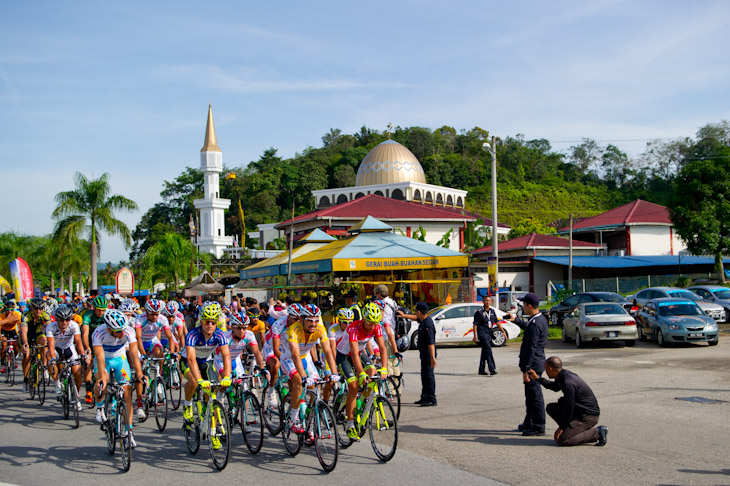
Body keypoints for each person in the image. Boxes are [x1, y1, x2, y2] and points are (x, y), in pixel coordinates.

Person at [93, 309, 144, 448]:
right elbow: (100, 357)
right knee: (101, 382)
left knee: (127, 392)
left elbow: (134, 353)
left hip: (120, 359)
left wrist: (139, 373)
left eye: (123, 329)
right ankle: (99, 407)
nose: (122, 333)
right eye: (118, 331)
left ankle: (129, 432)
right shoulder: (98, 333)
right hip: (104, 360)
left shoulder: (128, 331)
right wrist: (102, 377)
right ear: (109, 329)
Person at [528, 356, 607, 446]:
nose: (545, 372)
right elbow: (554, 387)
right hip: (579, 412)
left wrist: (561, 428)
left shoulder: (568, 382)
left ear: (550, 369)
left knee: (564, 440)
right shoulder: (564, 375)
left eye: (546, 369)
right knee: (551, 408)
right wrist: (537, 378)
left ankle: (598, 432)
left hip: (588, 416)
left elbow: (569, 407)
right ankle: (572, 429)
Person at [506, 292, 548, 436]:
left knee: (535, 396)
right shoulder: (537, 319)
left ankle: (538, 426)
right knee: (530, 396)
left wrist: (527, 370)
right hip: (535, 362)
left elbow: (531, 347)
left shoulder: (536, 323)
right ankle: (529, 422)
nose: (523, 307)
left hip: (533, 364)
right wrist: (515, 320)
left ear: (529, 306)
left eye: (524, 305)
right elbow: (528, 328)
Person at [398, 302, 437, 407]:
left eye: (416, 311)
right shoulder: (423, 320)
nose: (415, 313)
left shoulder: (428, 324)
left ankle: (431, 398)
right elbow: (415, 318)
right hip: (424, 354)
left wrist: (432, 357)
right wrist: (404, 315)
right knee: (424, 376)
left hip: (429, 354)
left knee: (429, 376)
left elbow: (431, 343)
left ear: (419, 311)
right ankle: (424, 397)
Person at [472, 295, 508, 375]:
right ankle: (491, 368)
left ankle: (481, 370)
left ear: (491, 302)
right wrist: (475, 336)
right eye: (486, 300)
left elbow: (497, 322)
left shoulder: (492, 311)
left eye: (489, 301)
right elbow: (475, 324)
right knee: (488, 350)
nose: (487, 302)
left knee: (485, 351)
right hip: (482, 334)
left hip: (490, 333)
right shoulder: (479, 312)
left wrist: (503, 331)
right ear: (483, 301)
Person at [373, 285, 402, 377]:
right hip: (392, 333)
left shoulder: (381, 304)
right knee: (394, 360)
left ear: (379, 294)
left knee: (387, 362)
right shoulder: (392, 302)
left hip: (385, 335)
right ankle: (397, 387)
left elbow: (385, 322)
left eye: (376, 293)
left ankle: (391, 389)